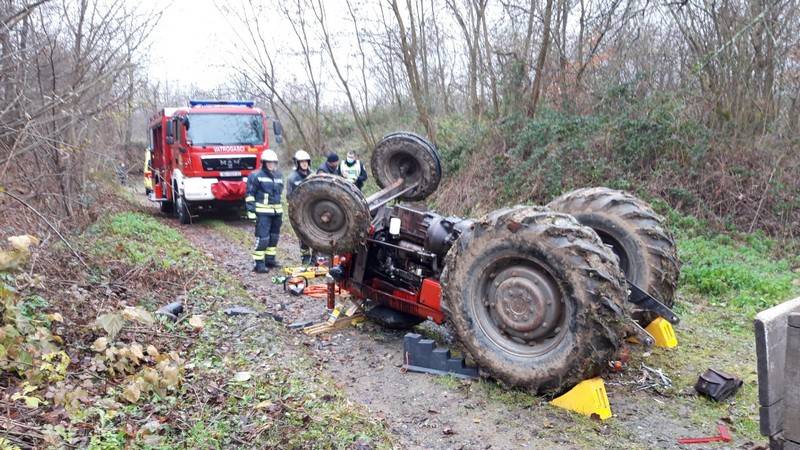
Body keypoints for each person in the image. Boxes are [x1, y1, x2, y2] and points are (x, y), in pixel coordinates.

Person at [245, 149, 284, 273]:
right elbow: (250, 194)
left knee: (274, 238)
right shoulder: (256, 176)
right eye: (269, 162)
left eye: (273, 162)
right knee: (263, 238)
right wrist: (251, 211)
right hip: (263, 213)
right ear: (264, 163)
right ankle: (259, 263)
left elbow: (279, 194)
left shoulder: (279, 176)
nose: (272, 165)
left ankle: (270, 260)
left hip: (276, 212)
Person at [287, 150, 313, 265]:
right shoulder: (292, 178)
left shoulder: (313, 174)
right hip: (300, 211)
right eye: (301, 162)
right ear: (297, 163)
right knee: (303, 234)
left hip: (313, 209)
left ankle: (316, 258)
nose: (304, 164)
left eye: (306, 161)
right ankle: (305, 257)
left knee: (317, 233)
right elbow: (289, 196)